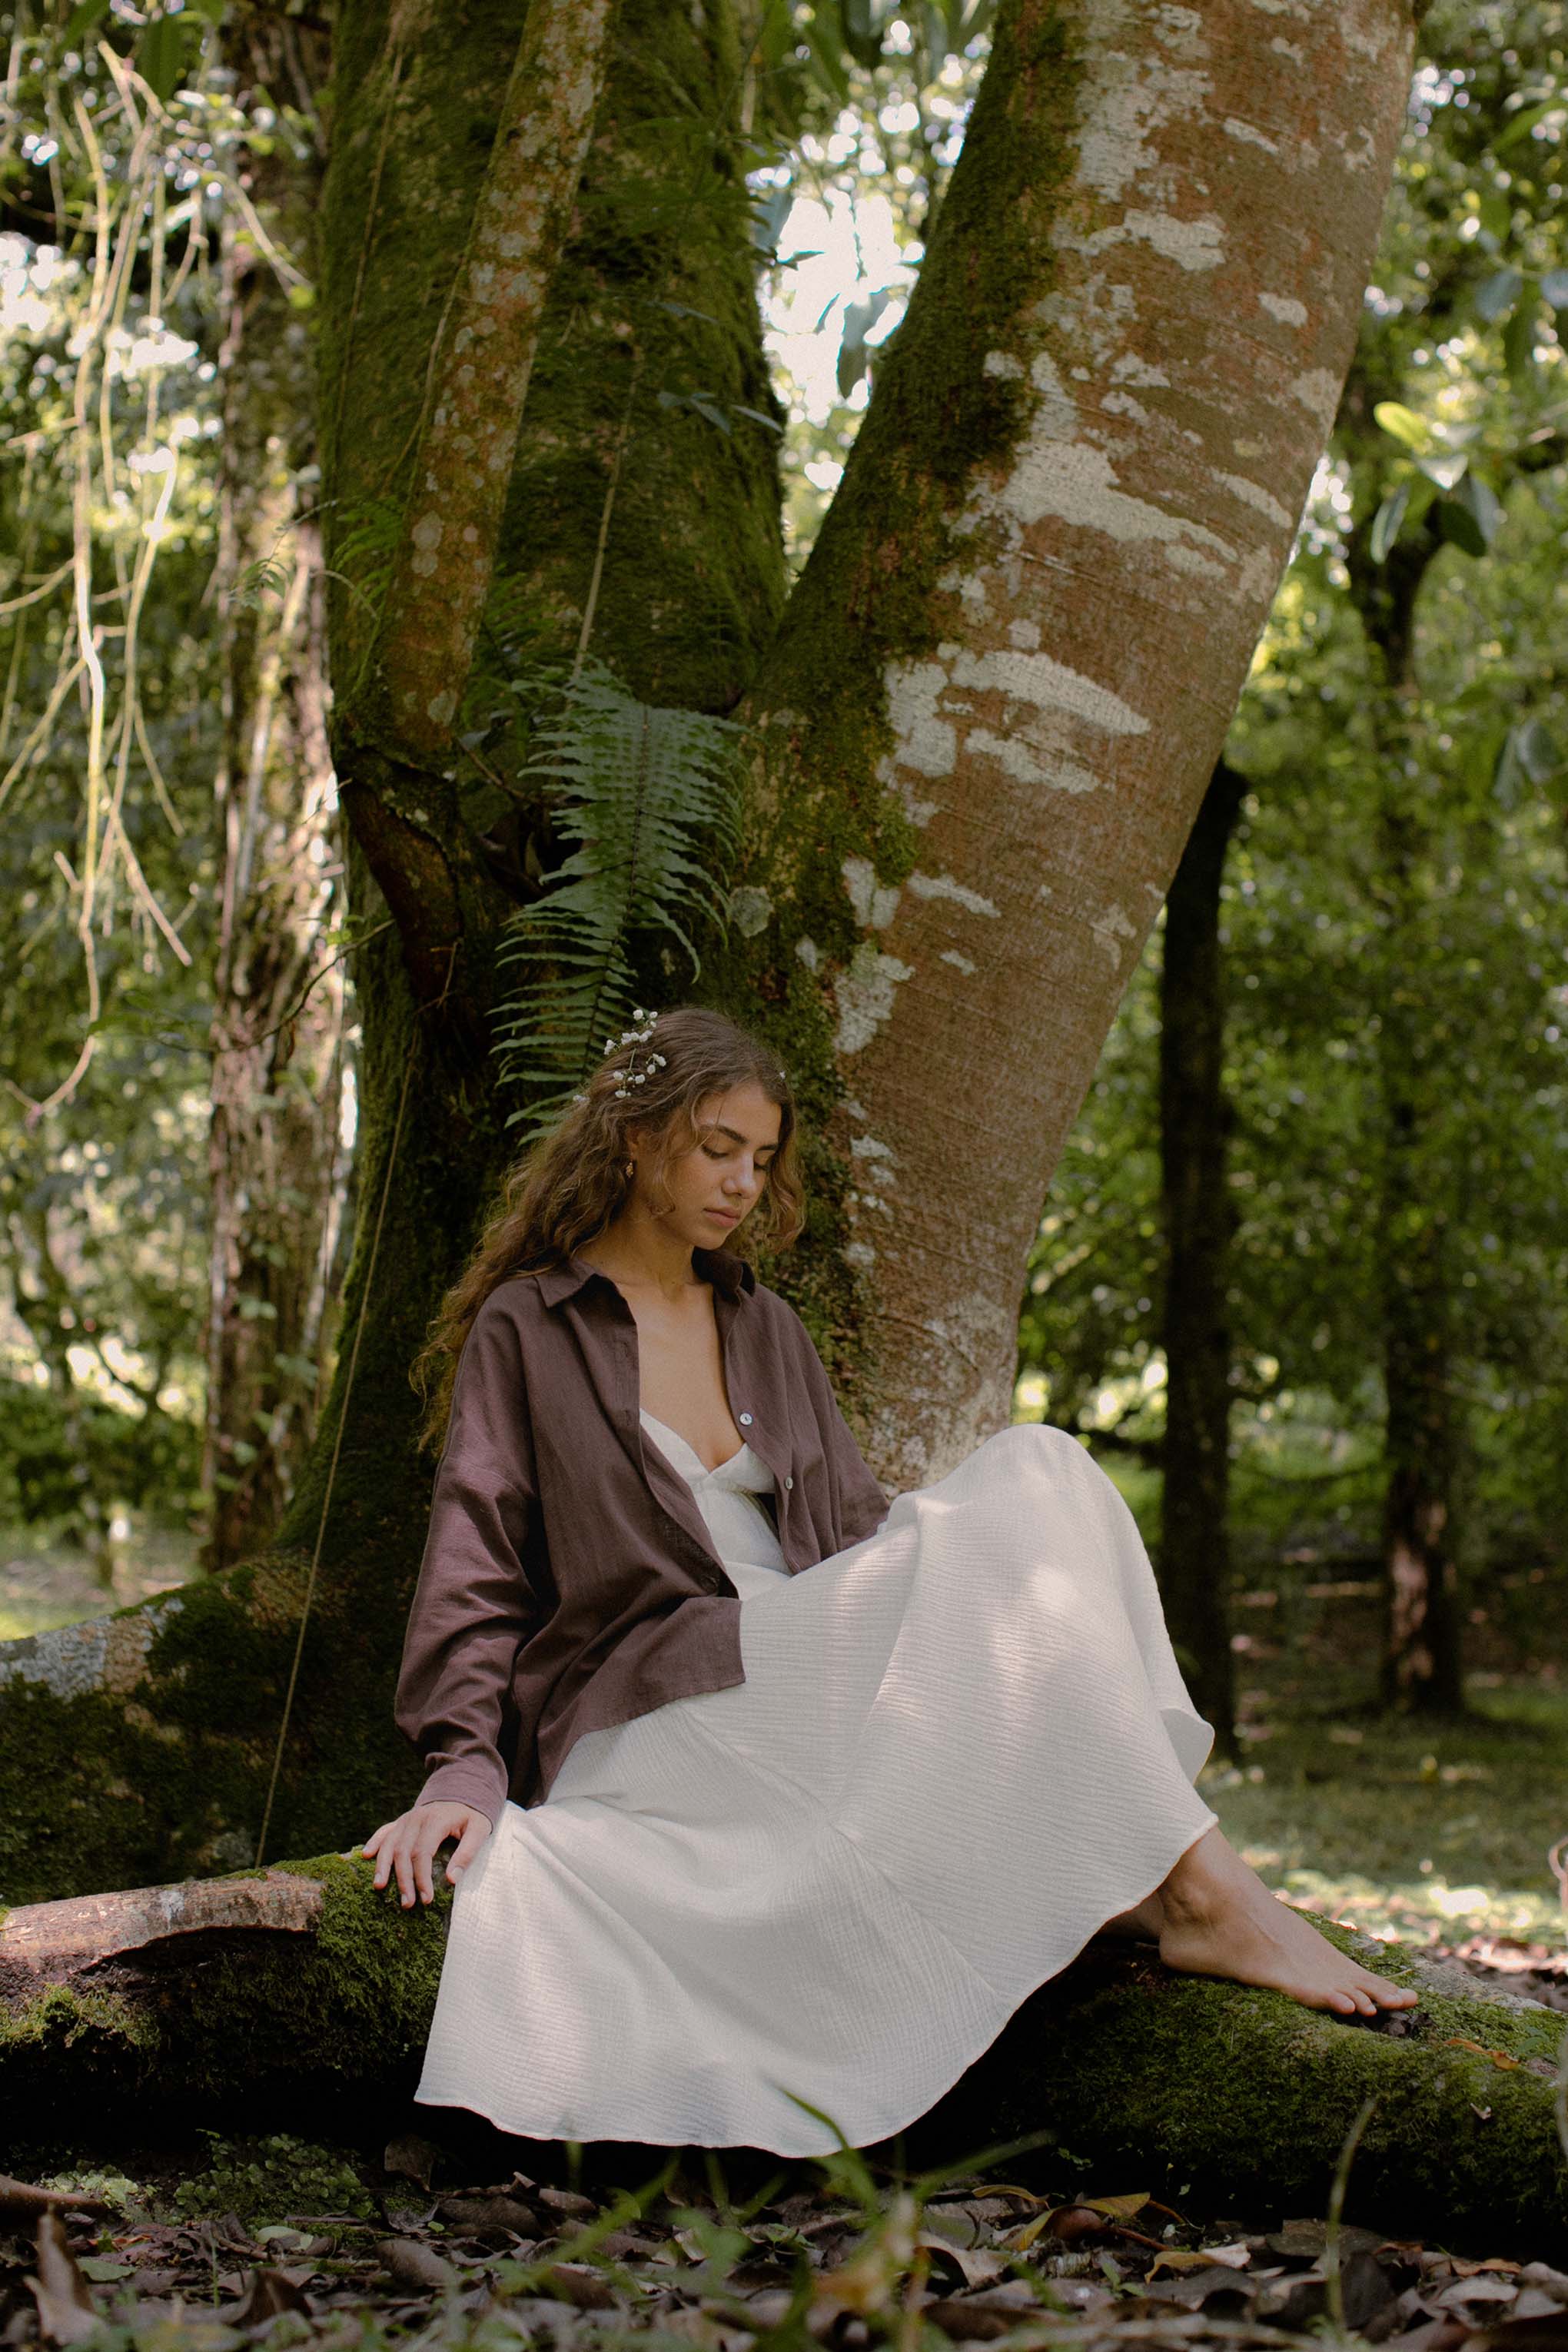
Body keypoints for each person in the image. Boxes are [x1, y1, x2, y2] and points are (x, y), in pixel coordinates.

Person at [361, 1004, 1414, 2158]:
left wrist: (947, 1587)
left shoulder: (764, 1327)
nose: (742, 1184)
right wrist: (462, 1768)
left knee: (1044, 1467)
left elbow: (855, 1534)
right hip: (651, 1706)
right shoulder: (529, 1327)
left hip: (793, 1668)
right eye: (717, 1149)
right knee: (1027, 1480)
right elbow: (477, 1566)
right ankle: (1202, 1895)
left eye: (762, 1159)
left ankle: (1163, 1873)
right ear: (635, 1137)